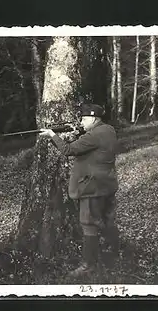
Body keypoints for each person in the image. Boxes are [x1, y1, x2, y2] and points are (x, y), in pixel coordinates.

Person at [39, 103, 120, 277]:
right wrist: (79, 132)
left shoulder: (93, 136)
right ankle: (113, 254)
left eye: (84, 119)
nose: (81, 122)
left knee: (88, 224)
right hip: (106, 184)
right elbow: (92, 141)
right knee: (105, 221)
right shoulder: (108, 130)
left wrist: (52, 135)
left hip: (92, 186)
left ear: (93, 118)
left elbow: (67, 150)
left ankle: (88, 265)